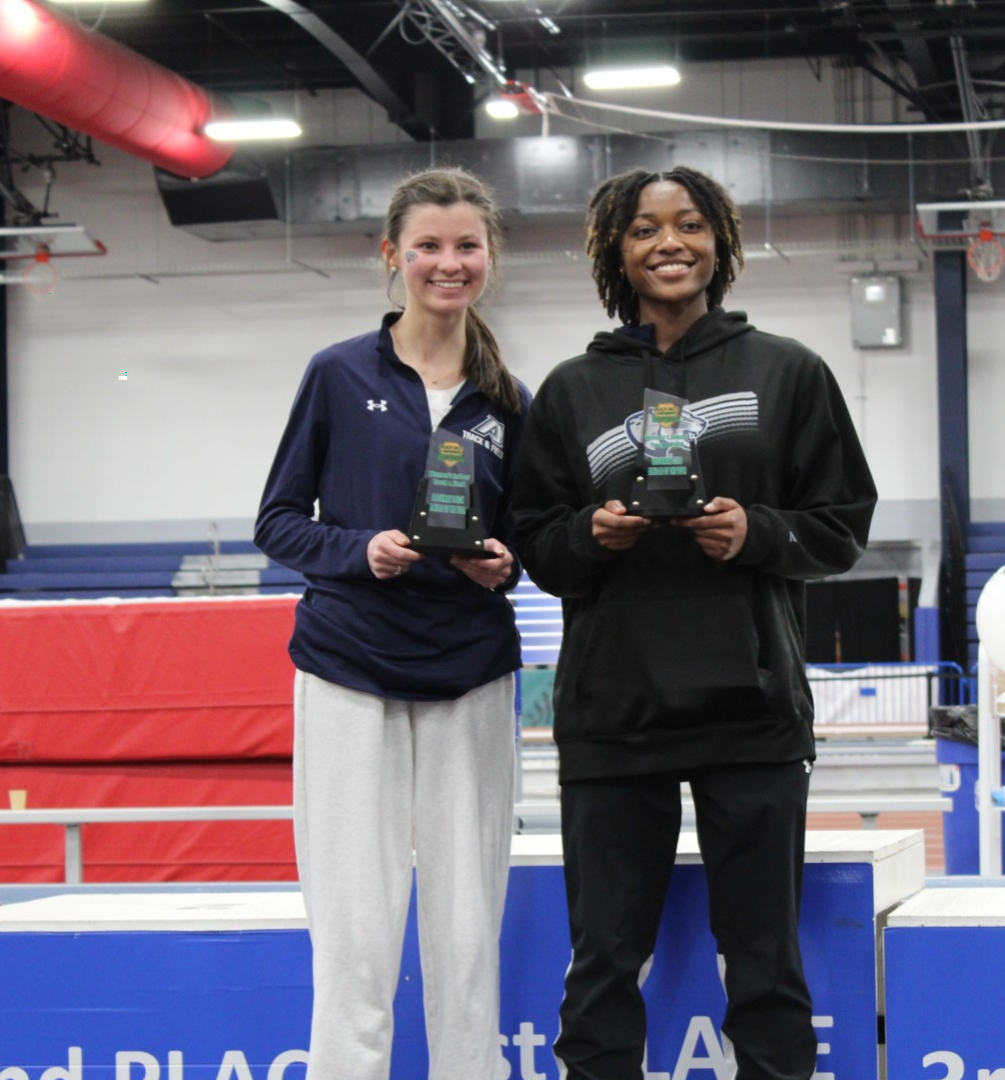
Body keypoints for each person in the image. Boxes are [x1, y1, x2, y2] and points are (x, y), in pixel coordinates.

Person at [510, 166, 877, 1080]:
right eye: (644, 229)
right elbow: (537, 546)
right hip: (612, 717)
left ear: (721, 242)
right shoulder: (571, 390)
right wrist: (590, 536)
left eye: (689, 225)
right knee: (602, 965)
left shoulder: (788, 371)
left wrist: (759, 533)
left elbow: (841, 527)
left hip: (752, 713)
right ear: (616, 251)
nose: (669, 243)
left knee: (764, 962)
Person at [253, 167, 527, 1080]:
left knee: (467, 929)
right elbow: (278, 522)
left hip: (469, 673)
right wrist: (358, 549)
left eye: (466, 246)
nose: (449, 263)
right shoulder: (337, 374)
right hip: (349, 669)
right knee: (354, 928)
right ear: (391, 255)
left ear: (489, 256)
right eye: (428, 246)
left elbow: (528, 535)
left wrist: (505, 563)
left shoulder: (509, 399)